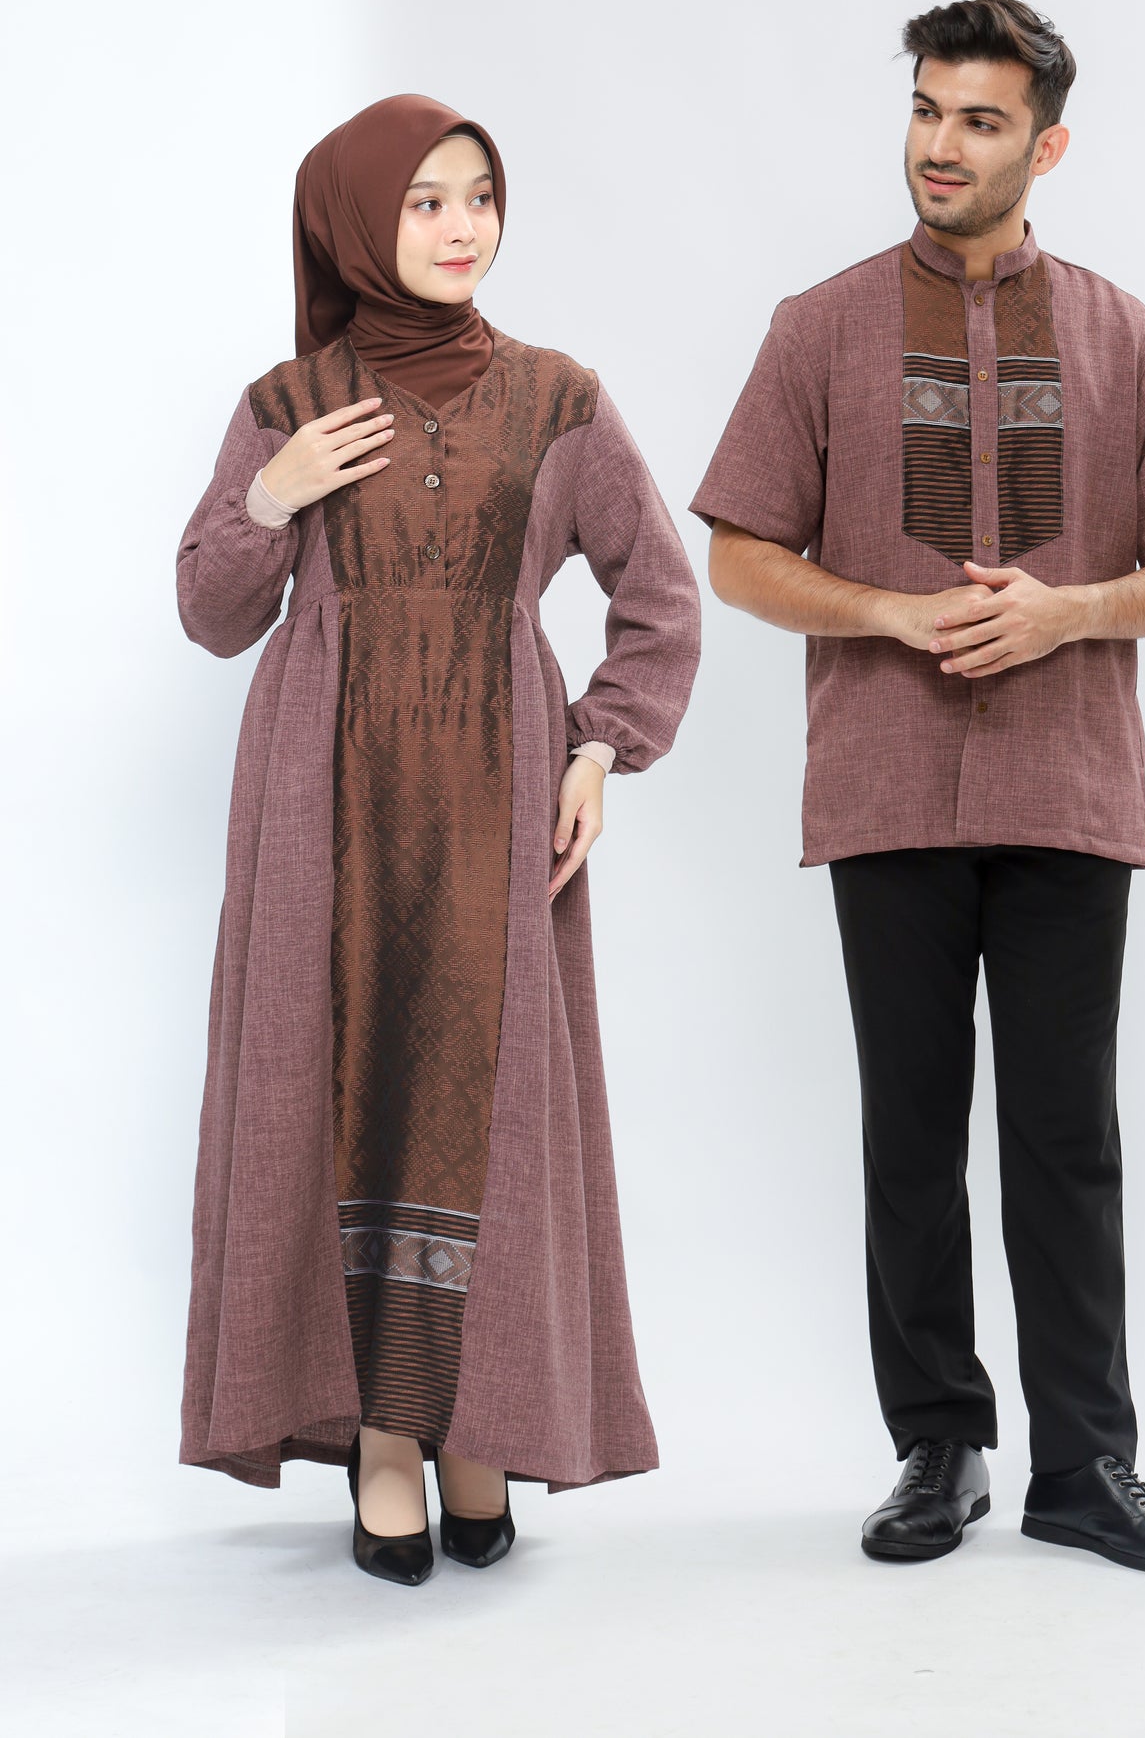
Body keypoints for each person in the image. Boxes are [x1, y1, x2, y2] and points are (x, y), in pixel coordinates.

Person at [688, 0, 1145, 1575]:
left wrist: (1071, 611)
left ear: (1044, 147)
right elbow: (737, 552)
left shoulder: (1125, 335)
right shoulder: (819, 325)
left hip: (1068, 789)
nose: (940, 144)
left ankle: (1085, 1465)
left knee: (1067, 1143)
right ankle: (936, 1447)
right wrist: (884, 611)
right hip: (886, 789)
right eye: (927, 110)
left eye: (979, 120)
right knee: (909, 1136)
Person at [176, 93, 700, 1585]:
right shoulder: (289, 405)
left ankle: (480, 1421)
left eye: (479, 196)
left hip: (499, 793)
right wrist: (270, 498)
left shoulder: (558, 399)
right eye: (424, 202)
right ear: (355, 221)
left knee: (485, 1092)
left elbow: (659, 596)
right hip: (323, 798)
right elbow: (212, 613)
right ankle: (383, 1439)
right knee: (344, 1082)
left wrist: (601, 742)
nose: (463, 226)